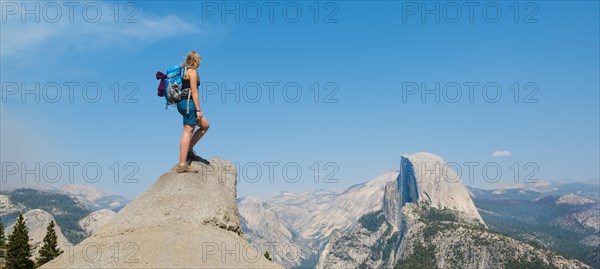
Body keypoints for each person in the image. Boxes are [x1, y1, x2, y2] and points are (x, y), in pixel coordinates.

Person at [175, 51, 211, 173]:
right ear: (196, 61)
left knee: (205, 126)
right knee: (188, 131)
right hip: (189, 103)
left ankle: (189, 150)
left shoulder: (182, 70)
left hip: (181, 103)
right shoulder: (192, 71)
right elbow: (194, 91)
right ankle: (182, 164)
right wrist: (198, 110)